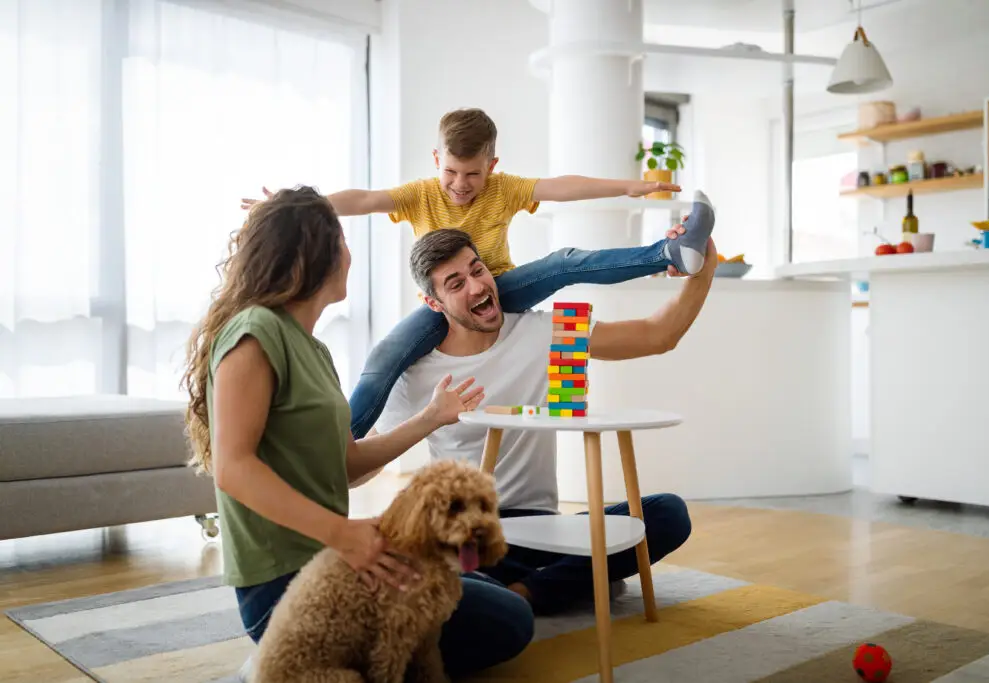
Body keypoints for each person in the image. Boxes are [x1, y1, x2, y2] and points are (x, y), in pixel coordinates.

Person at [180, 186, 534, 679]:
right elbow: (233, 467)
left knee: (487, 591)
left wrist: (430, 417)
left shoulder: (314, 350)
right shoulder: (254, 332)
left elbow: (344, 466)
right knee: (510, 620)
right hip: (284, 586)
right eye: (341, 241)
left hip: (335, 561)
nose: (350, 254)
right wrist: (343, 534)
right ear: (314, 254)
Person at [242, 107, 716, 440]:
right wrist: (292, 205)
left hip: (505, 290)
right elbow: (363, 201)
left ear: (491, 165)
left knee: (565, 262)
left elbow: (563, 187)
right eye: (451, 172)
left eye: (473, 174)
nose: (461, 185)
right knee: (385, 358)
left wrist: (629, 186)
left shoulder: (505, 189)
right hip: (445, 309)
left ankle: (671, 254)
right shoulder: (420, 194)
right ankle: (333, 445)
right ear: (436, 161)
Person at [369, 226, 716, 615]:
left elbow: (657, 336)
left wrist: (704, 267)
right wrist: (429, 418)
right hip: (468, 533)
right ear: (433, 304)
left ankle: (527, 592)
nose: (476, 287)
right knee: (420, 570)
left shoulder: (545, 330)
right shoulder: (417, 373)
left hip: (539, 526)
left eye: (477, 270)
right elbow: (364, 465)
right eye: (455, 283)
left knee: (666, 513)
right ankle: (568, 579)